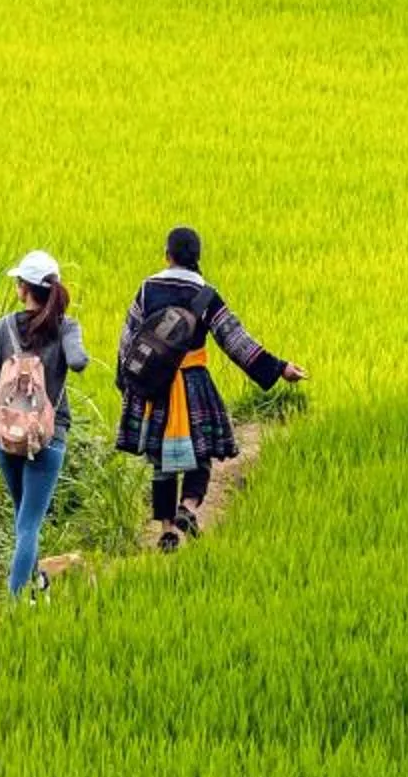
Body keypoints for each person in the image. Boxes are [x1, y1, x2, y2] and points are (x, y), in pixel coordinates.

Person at [114, 225, 304, 549]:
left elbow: (127, 341)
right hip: (193, 383)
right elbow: (236, 341)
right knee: (201, 451)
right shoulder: (206, 295)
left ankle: (166, 530)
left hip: (157, 385)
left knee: (161, 461)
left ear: (167, 255)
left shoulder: (147, 289)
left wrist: (129, 384)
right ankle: (187, 507)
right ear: (197, 258)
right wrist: (279, 368)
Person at [0, 249, 91, 598]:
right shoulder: (66, 327)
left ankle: (30, 588)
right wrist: (71, 349)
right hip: (49, 436)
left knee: (23, 520)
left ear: (23, 288)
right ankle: (19, 600)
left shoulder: (1, 329)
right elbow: (78, 363)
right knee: (29, 524)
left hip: (6, 436)